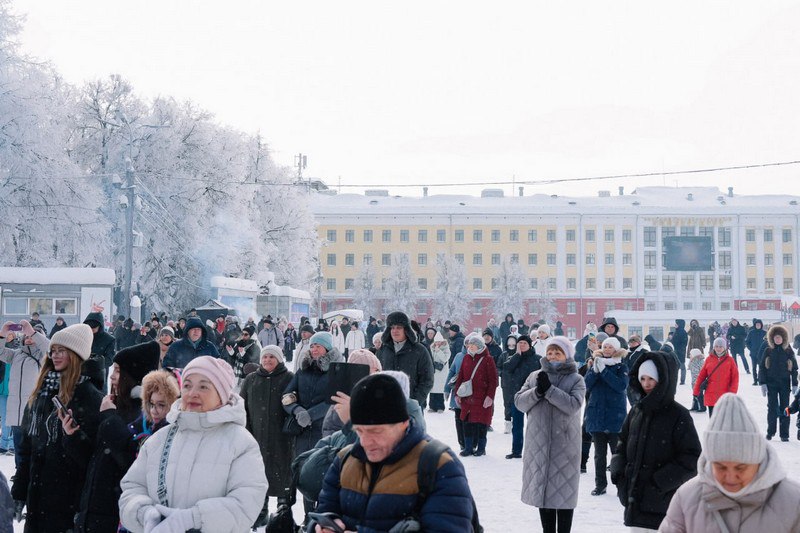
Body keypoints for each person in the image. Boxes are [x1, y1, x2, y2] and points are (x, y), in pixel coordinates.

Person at [312, 373, 476, 533]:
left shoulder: (439, 465)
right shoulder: (345, 460)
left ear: (403, 424)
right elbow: (321, 513)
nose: (365, 442)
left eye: (376, 432)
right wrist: (322, 526)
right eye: (359, 431)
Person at [119, 356, 267, 532]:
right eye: (187, 385)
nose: (192, 393)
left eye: (203, 386)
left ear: (221, 396)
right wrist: (144, 514)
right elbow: (132, 487)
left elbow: (246, 503)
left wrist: (192, 520)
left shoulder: (241, 443)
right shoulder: (159, 439)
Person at [659, 393, 800, 533]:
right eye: (720, 467)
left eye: (741, 468)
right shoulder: (686, 499)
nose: (730, 477)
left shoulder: (793, 502)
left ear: (757, 460)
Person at [11, 324, 104, 533]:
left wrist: (73, 436)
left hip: (69, 503)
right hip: (37, 498)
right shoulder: (42, 391)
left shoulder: (90, 397)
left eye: (62, 350)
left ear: (76, 354)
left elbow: (94, 459)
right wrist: (19, 491)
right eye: (53, 350)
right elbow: (27, 447)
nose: (55, 355)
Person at [73, 341, 161, 532]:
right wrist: (72, 436)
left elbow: (130, 460)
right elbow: (94, 461)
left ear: (134, 376)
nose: (112, 376)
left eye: (119, 371)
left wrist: (109, 419)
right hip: (92, 513)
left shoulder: (145, 415)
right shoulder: (114, 407)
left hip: (116, 517)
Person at [610, 351, 701, 531]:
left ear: (663, 379)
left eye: (651, 378)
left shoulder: (678, 414)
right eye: (642, 379)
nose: (646, 384)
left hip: (664, 507)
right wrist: (620, 476)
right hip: (634, 504)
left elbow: (692, 458)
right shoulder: (637, 411)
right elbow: (621, 445)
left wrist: (659, 483)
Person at [515, 336, 585, 533]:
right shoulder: (535, 376)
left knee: (563, 496)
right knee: (543, 494)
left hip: (564, 446)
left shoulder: (576, 379)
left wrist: (550, 390)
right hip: (538, 444)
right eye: (550, 352)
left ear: (567, 355)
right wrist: (537, 391)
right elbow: (519, 402)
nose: (553, 356)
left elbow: (573, 405)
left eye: (558, 353)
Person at [283, 331, 344, 519]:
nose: (314, 349)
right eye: (312, 346)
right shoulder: (303, 370)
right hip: (302, 433)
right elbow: (287, 396)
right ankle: (309, 519)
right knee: (306, 476)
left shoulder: (337, 369)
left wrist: (311, 414)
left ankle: (326, 520)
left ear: (327, 348)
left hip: (326, 431)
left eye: (318, 345)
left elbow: (336, 399)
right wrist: (296, 411)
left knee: (327, 478)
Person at [240, 345, 295, 528]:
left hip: (282, 436)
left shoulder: (289, 378)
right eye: (265, 357)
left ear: (279, 359)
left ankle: (283, 511)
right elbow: (242, 408)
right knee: (257, 474)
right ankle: (260, 511)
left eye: (272, 357)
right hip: (256, 436)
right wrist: (245, 429)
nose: (267, 360)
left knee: (283, 472)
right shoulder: (251, 379)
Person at [0, 321, 48, 468]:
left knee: (34, 453)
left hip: (33, 413)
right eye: (26, 335)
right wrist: (2, 334)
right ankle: (20, 480)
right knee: (20, 454)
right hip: (15, 414)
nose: (29, 337)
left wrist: (33, 331)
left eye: (33, 335)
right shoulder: (16, 355)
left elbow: (51, 348)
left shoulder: (43, 357)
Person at [584, 336, 629, 496]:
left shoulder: (621, 367)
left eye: (610, 347)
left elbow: (620, 386)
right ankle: (600, 485)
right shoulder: (595, 364)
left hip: (615, 416)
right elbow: (586, 385)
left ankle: (621, 485)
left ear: (616, 350)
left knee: (617, 455)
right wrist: (595, 371)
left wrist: (604, 371)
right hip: (597, 415)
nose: (607, 349)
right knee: (599, 455)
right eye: (605, 346)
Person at [453, 333, 498, 457]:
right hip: (468, 397)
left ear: (479, 346)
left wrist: (490, 397)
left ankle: (481, 448)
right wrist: (457, 393)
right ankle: (468, 448)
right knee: (467, 423)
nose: (470, 347)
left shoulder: (488, 359)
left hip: (482, 398)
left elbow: (493, 381)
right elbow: (460, 376)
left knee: (481, 424)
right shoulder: (466, 358)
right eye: (469, 345)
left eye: (473, 345)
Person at [377, 312, 435, 407]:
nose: (395, 330)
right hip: (385, 405)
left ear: (406, 330)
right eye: (392, 327)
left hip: (411, 406)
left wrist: (414, 401)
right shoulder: (383, 350)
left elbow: (427, 379)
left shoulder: (419, 350)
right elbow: (375, 375)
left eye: (399, 327)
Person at [501, 334, 540, 459]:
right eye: (520, 343)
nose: (522, 345)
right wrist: (517, 355)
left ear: (529, 345)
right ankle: (516, 451)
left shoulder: (537, 359)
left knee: (534, 426)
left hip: (533, 396)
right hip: (517, 396)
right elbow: (506, 368)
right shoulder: (514, 358)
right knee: (517, 425)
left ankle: (535, 451)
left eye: (524, 343)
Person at [758, 325, 798, 442]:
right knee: (772, 407)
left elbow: (794, 368)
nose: (777, 340)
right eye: (775, 337)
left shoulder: (788, 350)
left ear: (783, 338)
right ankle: (770, 432)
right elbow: (762, 368)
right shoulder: (768, 350)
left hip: (785, 384)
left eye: (779, 337)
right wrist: (763, 383)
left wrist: (794, 384)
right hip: (771, 384)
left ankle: (784, 434)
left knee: (785, 408)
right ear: (772, 338)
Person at [128, 369, 180, 450]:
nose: (153, 411)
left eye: (161, 405)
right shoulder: (143, 423)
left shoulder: (174, 434)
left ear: (172, 405)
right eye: (151, 403)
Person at [692, 337, 738, 417]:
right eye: (716, 346)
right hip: (711, 395)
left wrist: (732, 393)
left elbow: (735, 378)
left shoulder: (730, 360)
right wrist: (696, 391)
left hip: (725, 396)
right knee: (713, 421)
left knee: (723, 422)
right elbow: (701, 376)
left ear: (725, 348)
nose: (718, 348)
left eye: (721, 346)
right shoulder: (709, 359)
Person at [83, 310, 116, 391]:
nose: (91, 329)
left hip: (99, 374)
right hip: (82, 373)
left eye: (94, 327)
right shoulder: (82, 336)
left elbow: (109, 359)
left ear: (100, 326)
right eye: (89, 327)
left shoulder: (108, 339)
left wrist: (95, 363)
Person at [498, 335, 518, 434]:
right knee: (507, 403)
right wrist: (502, 373)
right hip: (506, 383)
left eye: (513, 343)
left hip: (517, 383)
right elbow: (498, 367)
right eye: (509, 343)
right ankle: (507, 422)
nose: (511, 345)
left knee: (516, 402)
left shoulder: (519, 354)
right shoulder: (503, 355)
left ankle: (516, 422)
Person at [428, 332, 450, 413]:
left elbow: (445, 358)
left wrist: (438, 351)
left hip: (441, 373)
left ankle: (440, 406)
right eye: (436, 342)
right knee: (432, 390)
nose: (437, 343)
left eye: (439, 341)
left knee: (440, 390)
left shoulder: (446, 349)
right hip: (434, 372)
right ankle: (432, 406)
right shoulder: (432, 348)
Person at [746, 319, 767, 385]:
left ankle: (760, 380)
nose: (758, 325)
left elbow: (767, 342)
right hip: (753, 353)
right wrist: (751, 349)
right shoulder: (751, 332)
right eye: (757, 324)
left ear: (761, 325)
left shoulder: (764, 333)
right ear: (755, 325)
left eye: (759, 324)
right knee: (754, 367)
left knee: (761, 367)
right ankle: (755, 380)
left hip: (762, 353)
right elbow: (747, 342)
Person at [672, 319, 688, 385]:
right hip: (675, 351)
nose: (675, 325)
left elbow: (684, 343)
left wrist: (679, 349)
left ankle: (682, 380)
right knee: (675, 367)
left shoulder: (683, 332)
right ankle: (674, 380)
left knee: (682, 367)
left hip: (680, 352)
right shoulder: (676, 331)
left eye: (676, 324)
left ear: (679, 324)